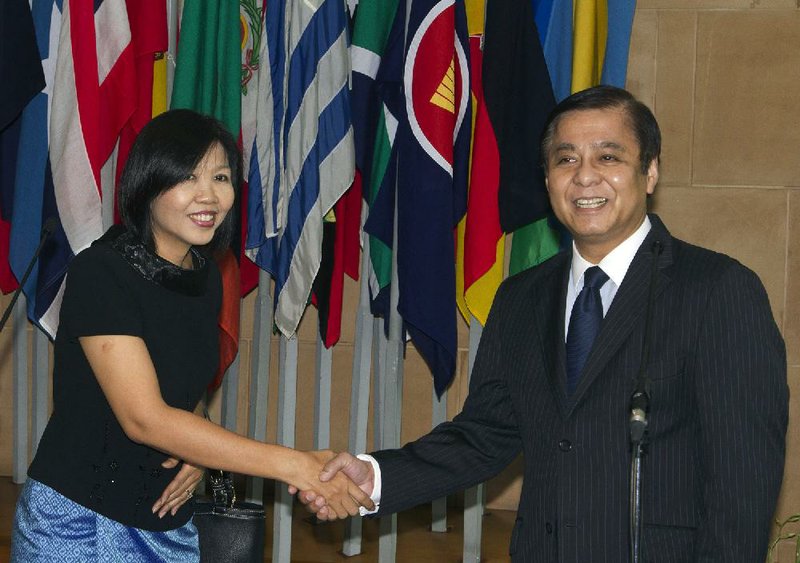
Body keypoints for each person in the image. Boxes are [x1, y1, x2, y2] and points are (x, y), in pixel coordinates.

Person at [295, 86, 789, 562]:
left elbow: (742, 487)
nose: (585, 177)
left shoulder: (718, 290)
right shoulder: (520, 298)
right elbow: (483, 436)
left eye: (609, 157)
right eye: (566, 159)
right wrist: (375, 476)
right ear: (548, 178)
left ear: (651, 172)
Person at [11, 109, 372, 562]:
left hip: (169, 523)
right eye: (187, 177)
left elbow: (185, 392)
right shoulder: (101, 272)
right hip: (80, 523)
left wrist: (199, 454)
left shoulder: (204, 276)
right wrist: (296, 465)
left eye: (221, 177)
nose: (209, 196)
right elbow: (144, 418)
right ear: (148, 184)